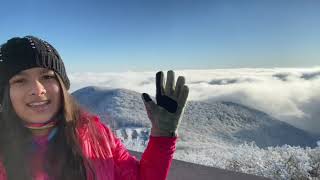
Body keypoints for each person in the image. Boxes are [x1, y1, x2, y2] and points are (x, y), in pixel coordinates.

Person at [0, 36, 189, 180]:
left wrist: (162, 135)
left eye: (47, 77)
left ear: (62, 86)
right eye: (20, 80)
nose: (37, 90)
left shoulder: (97, 134)